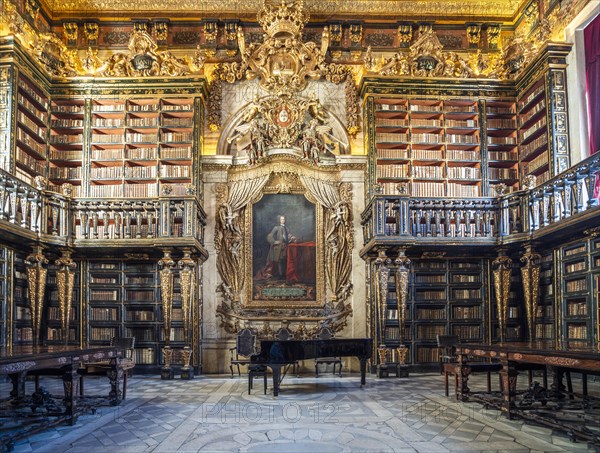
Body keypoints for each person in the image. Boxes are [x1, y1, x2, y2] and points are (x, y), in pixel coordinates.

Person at [266, 215, 296, 280]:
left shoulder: (287, 228)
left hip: (286, 246)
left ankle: (284, 275)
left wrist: (291, 238)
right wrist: (274, 242)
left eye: (284, 219)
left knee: (285, 260)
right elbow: (270, 236)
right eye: (281, 219)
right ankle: (281, 275)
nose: (283, 220)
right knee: (280, 261)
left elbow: (287, 238)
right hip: (279, 247)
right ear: (279, 220)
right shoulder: (276, 228)